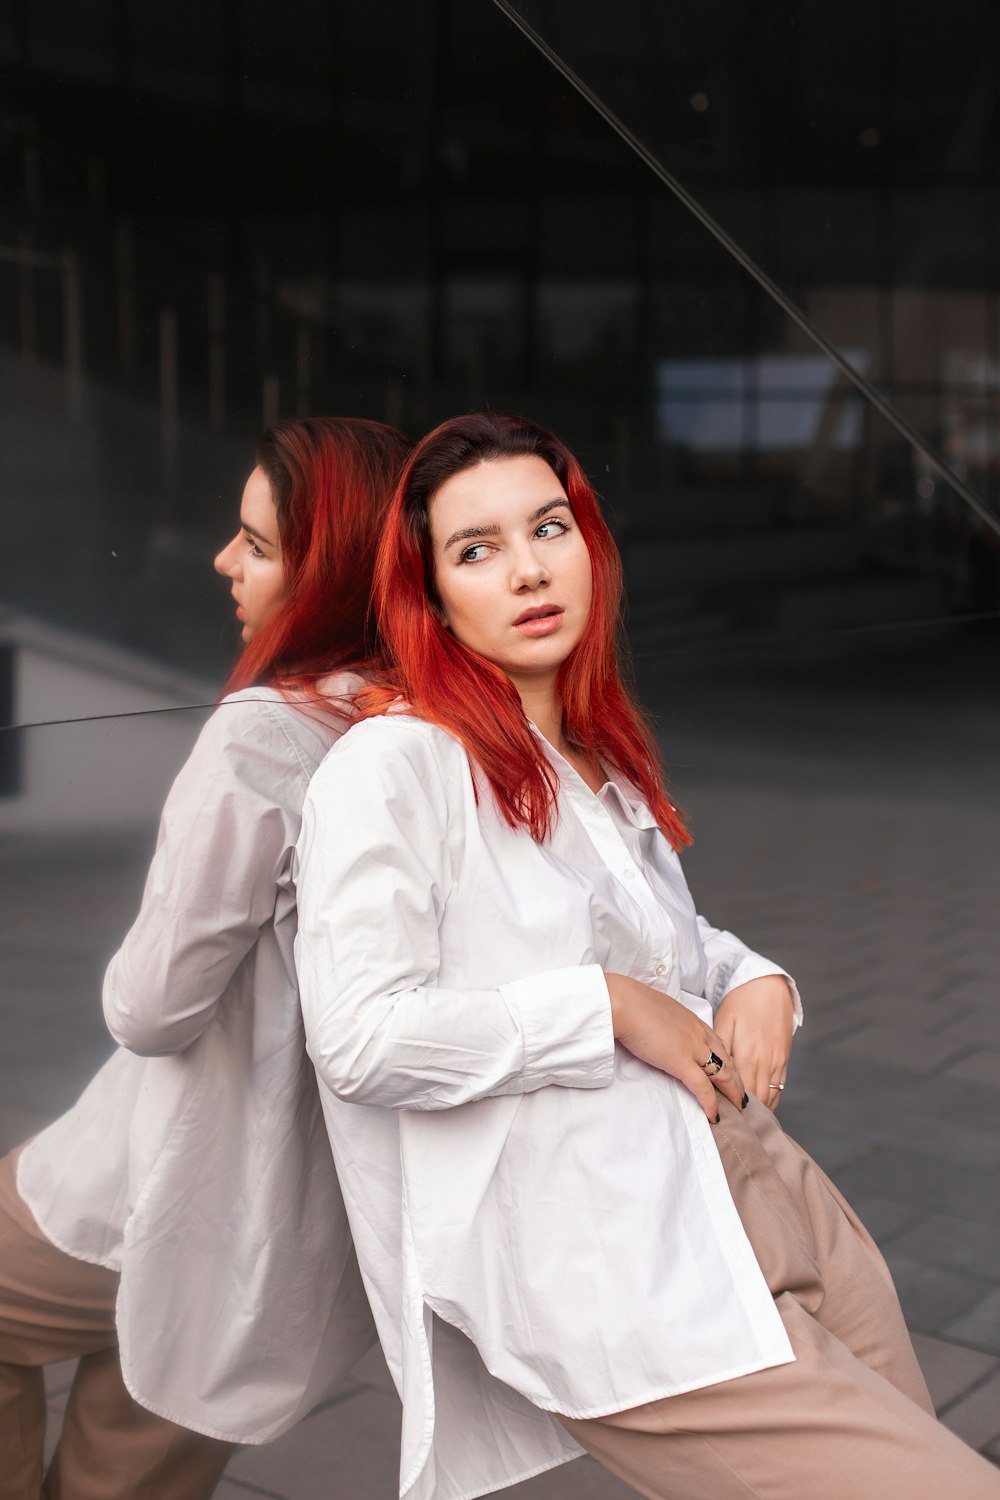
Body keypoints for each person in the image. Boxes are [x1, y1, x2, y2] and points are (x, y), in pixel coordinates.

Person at [295, 411, 1000, 1500]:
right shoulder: (394, 768)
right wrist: (610, 1008)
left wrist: (755, 976)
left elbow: (666, 945)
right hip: (611, 1258)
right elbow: (360, 1038)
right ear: (429, 594)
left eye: (549, 527)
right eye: (476, 550)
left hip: (753, 1177)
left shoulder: (582, 753)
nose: (528, 570)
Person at [0, 415, 412, 1500]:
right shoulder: (426, 732)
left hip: (165, 1174)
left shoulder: (265, 735)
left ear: (326, 575)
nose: (224, 561)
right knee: (131, 1466)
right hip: (287, 1231)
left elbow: (150, 1008)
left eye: (259, 545)